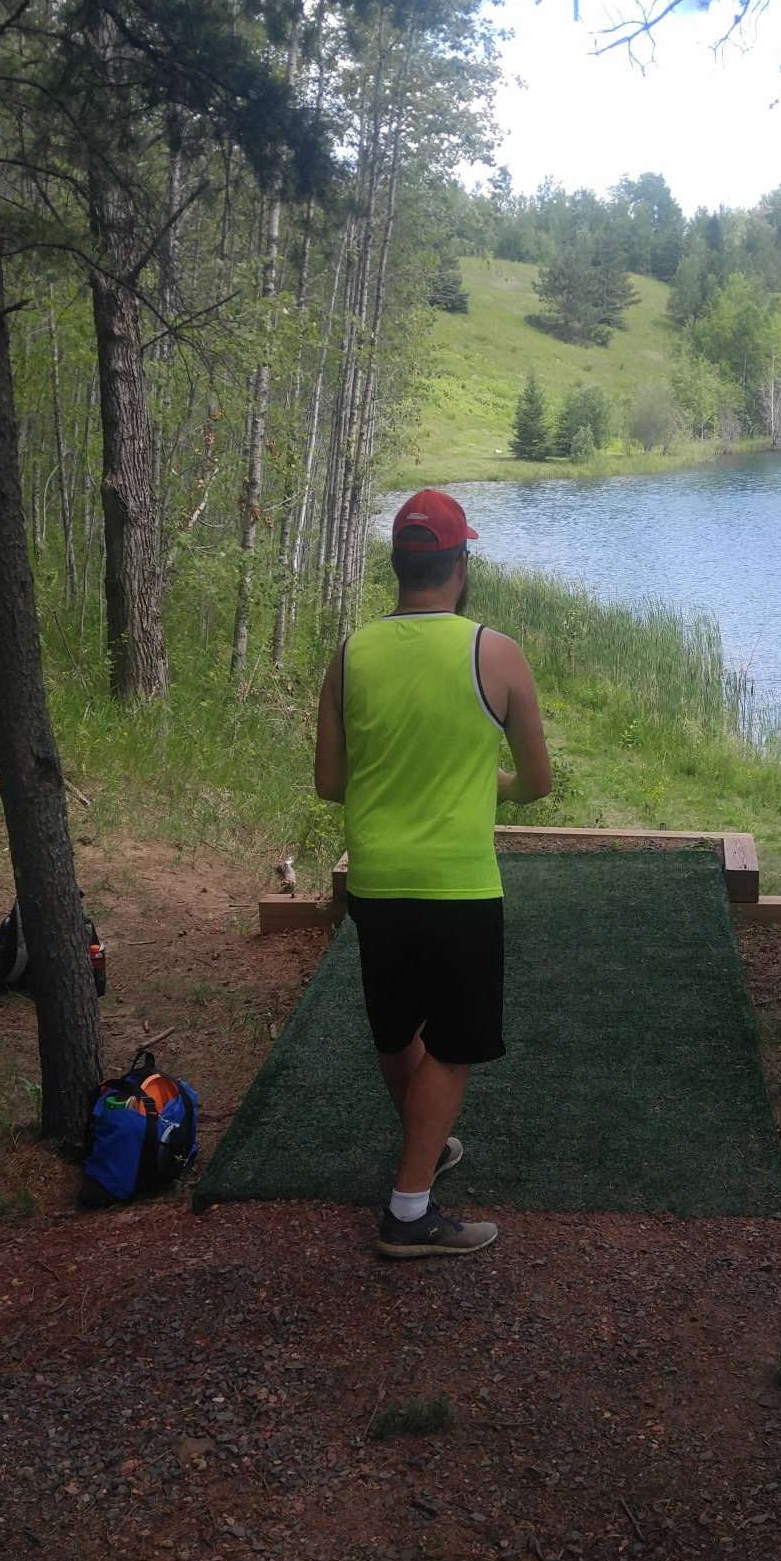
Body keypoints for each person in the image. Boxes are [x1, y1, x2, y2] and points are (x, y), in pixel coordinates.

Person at [314, 489, 552, 1259]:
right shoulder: (497, 652)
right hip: (458, 884)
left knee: (397, 1030)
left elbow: (329, 780)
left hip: (376, 880)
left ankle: (426, 1147)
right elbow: (537, 782)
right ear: (460, 565)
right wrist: (490, 784)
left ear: (398, 567)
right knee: (452, 1043)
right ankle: (409, 1212)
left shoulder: (351, 653)